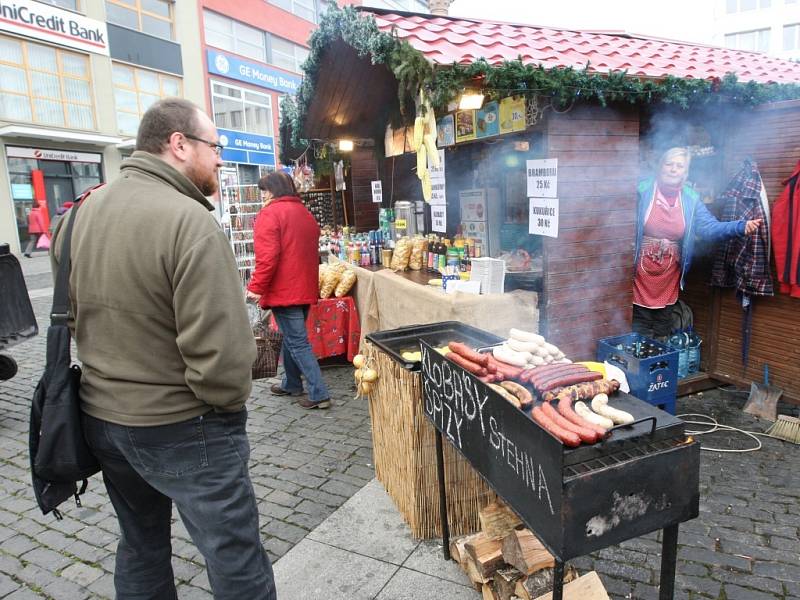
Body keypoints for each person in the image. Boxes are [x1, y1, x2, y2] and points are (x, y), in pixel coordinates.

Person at [50, 98, 276, 600]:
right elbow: (221, 359)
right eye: (214, 146)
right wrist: (223, 407)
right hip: (183, 425)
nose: (219, 159)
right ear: (178, 144)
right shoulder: (191, 223)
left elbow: (72, 311)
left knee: (141, 545)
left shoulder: (80, 213)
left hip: (103, 421)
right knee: (234, 556)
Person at [632, 147, 762, 340]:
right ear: (660, 167)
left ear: (685, 173)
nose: (673, 169)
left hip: (669, 271)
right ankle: (635, 361)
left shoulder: (690, 198)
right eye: (669, 164)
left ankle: (657, 365)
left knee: (663, 322)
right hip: (639, 270)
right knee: (639, 322)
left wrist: (740, 226)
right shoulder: (642, 191)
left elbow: (709, 227)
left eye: (679, 166)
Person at [246, 171, 331, 409]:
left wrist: (256, 287)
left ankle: (319, 393)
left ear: (272, 190)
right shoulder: (303, 212)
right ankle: (291, 383)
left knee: (297, 342)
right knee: (291, 339)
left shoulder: (270, 214)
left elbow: (267, 257)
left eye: (263, 190)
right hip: (303, 287)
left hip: (285, 290)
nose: (262, 195)